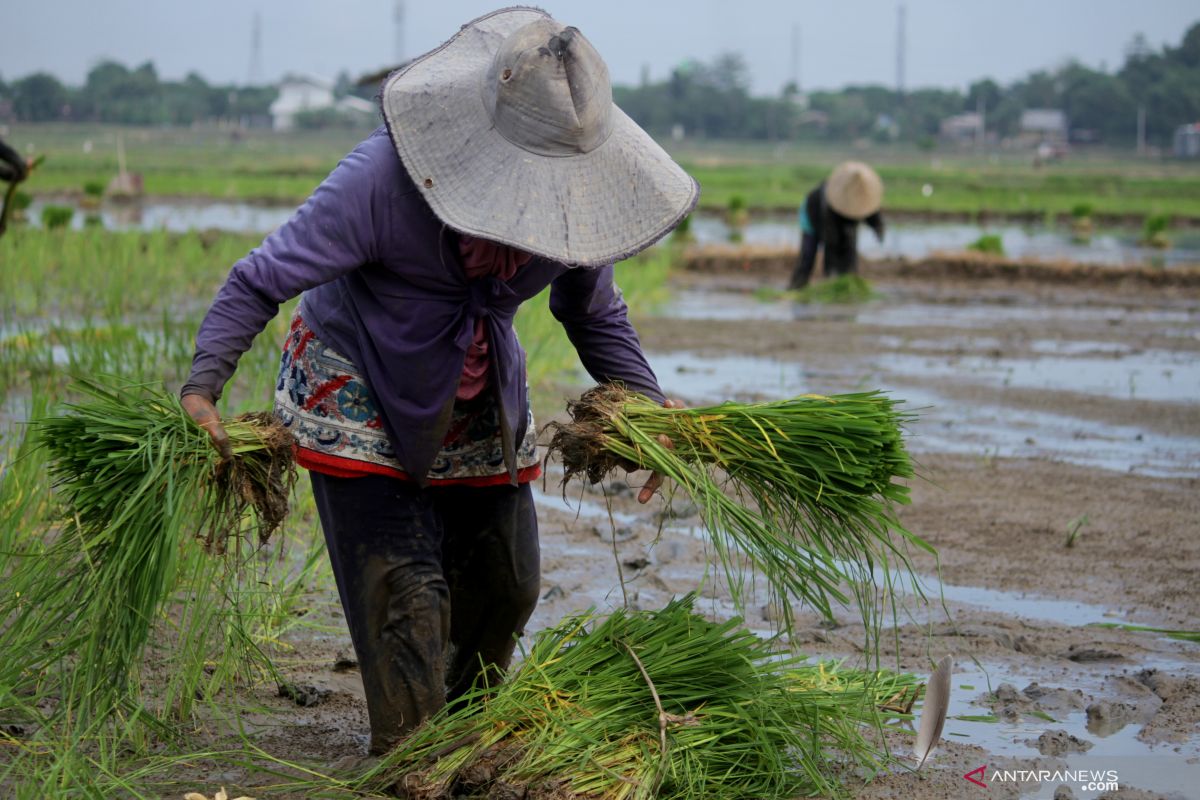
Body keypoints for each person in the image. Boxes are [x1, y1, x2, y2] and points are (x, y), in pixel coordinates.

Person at [180, 7, 697, 755]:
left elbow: (592, 310)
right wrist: (202, 390)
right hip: (355, 379)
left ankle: (461, 737)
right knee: (408, 598)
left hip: (477, 387)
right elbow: (259, 279)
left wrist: (645, 410)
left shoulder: (579, 207)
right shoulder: (382, 183)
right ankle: (410, 752)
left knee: (509, 583)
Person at [788, 161, 885, 290]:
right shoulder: (829, 197)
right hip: (813, 218)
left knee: (849, 249)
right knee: (808, 254)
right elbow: (830, 241)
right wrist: (831, 273)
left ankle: (849, 281)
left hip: (842, 221)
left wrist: (878, 228)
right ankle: (798, 285)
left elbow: (872, 214)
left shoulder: (860, 196)